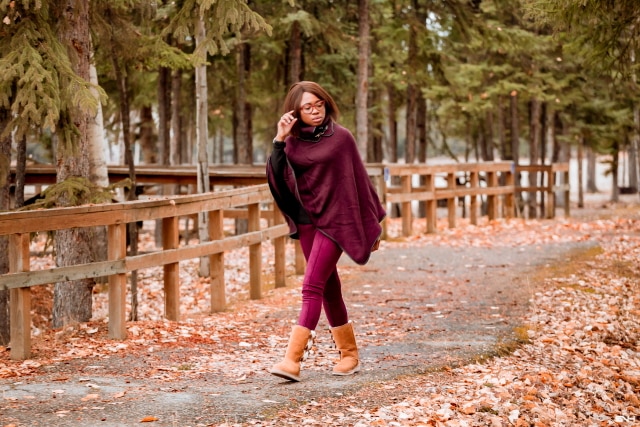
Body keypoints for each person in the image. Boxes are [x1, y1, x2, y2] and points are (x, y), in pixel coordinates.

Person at [266, 81, 386, 382]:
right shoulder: (291, 142)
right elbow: (277, 177)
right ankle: (349, 355)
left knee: (311, 287)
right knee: (329, 287)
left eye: (319, 104)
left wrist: (372, 225)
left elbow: (359, 180)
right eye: (308, 107)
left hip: (335, 221)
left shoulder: (341, 137)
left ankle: (292, 360)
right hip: (308, 221)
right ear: (296, 112)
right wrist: (279, 140)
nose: (315, 111)